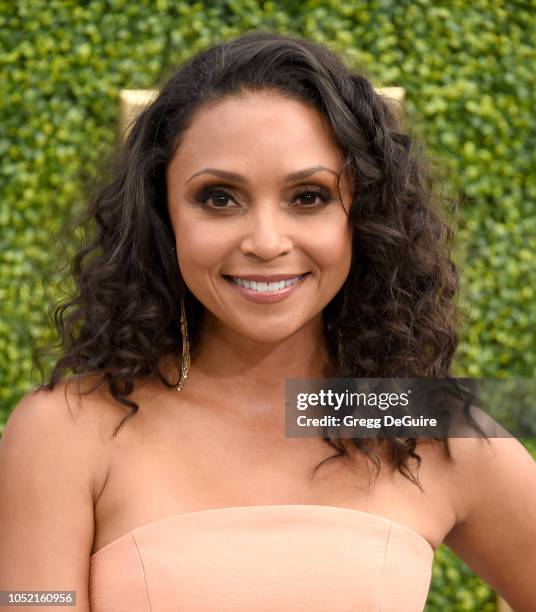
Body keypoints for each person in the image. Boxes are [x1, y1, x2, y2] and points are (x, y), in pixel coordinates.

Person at [1, 30, 535, 612]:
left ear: (364, 215)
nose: (265, 241)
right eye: (219, 198)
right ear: (162, 214)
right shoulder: (65, 429)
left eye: (308, 197)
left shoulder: (416, 417)